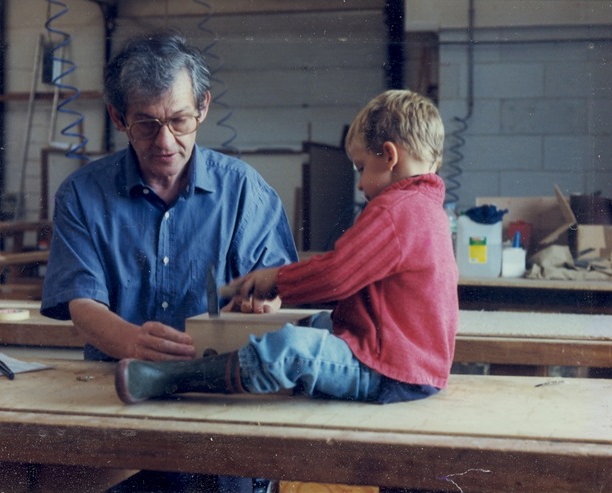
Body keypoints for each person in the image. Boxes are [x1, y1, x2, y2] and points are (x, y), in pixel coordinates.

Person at [40, 28, 297, 492]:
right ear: (118, 116)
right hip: (118, 399)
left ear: (202, 108)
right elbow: (80, 301)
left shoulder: (244, 192)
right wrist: (134, 344)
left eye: (180, 120)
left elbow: (280, 291)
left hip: (223, 402)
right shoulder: (81, 195)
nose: (165, 141)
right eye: (146, 124)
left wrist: (264, 305)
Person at [115, 89, 459, 407]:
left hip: (388, 370)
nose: (360, 183)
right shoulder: (427, 209)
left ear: (388, 156)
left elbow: (338, 275)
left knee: (289, 350)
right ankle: (245, 366)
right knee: (316, 324)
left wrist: (276, 280)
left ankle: (170, 379)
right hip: (410, 364)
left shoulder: (397, 209)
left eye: (361, 167)